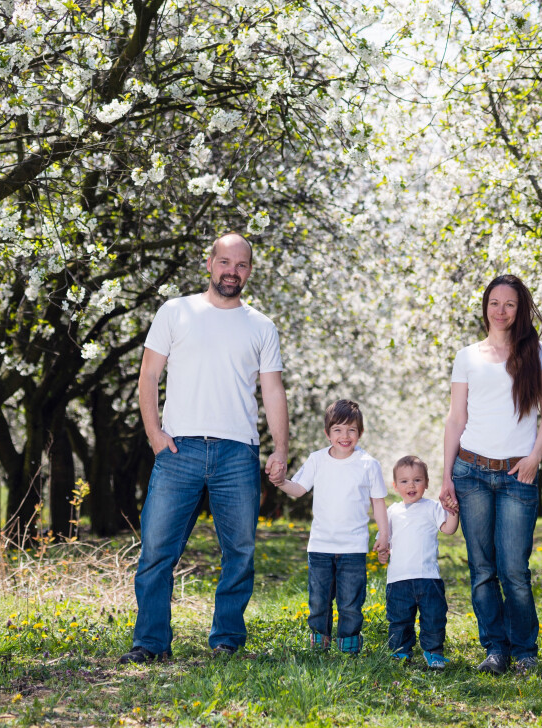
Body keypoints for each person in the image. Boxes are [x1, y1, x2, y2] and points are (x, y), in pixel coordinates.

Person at [120, 233, 289, 663]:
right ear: (210, 263)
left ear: (249, 271)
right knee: (158, 551)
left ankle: (227, 640)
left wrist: (280, 449)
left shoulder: (261, 326)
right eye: (225, 262)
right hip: (180, 450)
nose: (232, 271)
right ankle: (151, 644)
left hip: (238, 453)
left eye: (242, 265)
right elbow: (148, 377)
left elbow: (273, 392)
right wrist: (154, 434)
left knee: (240, 553)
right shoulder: (175, 311)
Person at [439, 274, 542, 676]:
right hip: (470, 471)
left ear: (520, 308)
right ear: (485, 306)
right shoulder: (467, 356)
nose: (501, 310)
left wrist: (534, 458)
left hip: (516, 477)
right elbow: (456, 419)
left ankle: (525, 651)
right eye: (494, 303)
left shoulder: (537, 353)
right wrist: (445, 477)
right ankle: (494, 649)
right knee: (482, 569)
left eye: (509, 304)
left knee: (514, 570)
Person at [270, 399, 388, 654]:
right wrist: (281, 482)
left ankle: (349, 644)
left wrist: (384, 534)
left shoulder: (369, 464)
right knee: (319, 600)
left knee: (350, 602)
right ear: (327, 433)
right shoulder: (317, 460)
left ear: (360, 433)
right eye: (338, 430)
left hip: (353, 548)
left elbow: (378, 503)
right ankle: (319, 642)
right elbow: (299, 489)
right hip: (321, 546)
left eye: (351, 430)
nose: (344, 436)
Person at [383, 454, 458, 669]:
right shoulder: (392, 511)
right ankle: (400, 653)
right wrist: (382, 549)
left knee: (434, 619)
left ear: (426, 483)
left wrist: (453, 511)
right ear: (395, 486)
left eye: (417, 480)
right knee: (399, 621)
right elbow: (386, 540)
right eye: (404, 481)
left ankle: (433, 652)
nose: (411, 485)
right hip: (398, 579)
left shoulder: (432, 507)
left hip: (428, 578)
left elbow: (449, 529)